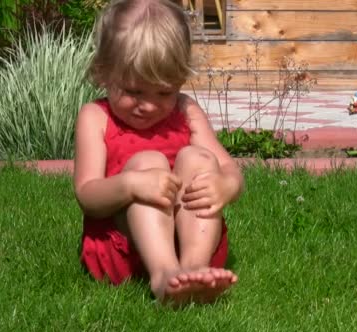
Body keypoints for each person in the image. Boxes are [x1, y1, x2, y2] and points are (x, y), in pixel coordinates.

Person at [73, 0, 243, 306]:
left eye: (164, 92)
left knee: (199, 159)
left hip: (189, 239)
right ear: (103, 73)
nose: (148, 105)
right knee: (147, 164)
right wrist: (131, 185)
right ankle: (164, 276)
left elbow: (231, 171)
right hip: (125, 247)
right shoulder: (95, 117)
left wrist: (225, 187)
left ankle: (194, 268)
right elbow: (87, 196)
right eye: (133, 91)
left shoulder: (186, 110)